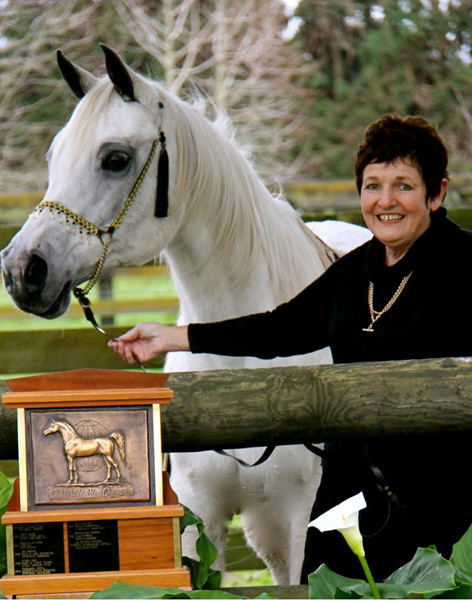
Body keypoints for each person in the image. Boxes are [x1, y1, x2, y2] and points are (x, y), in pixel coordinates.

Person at [109, 114, 471, 581]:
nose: (385, 201)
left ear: (436, 194)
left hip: (441, 498)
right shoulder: (354, 270)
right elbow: (279, 329)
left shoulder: (464, 264)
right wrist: (174, 336)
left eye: (403, 186)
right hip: (350, 495)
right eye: (372, 185)